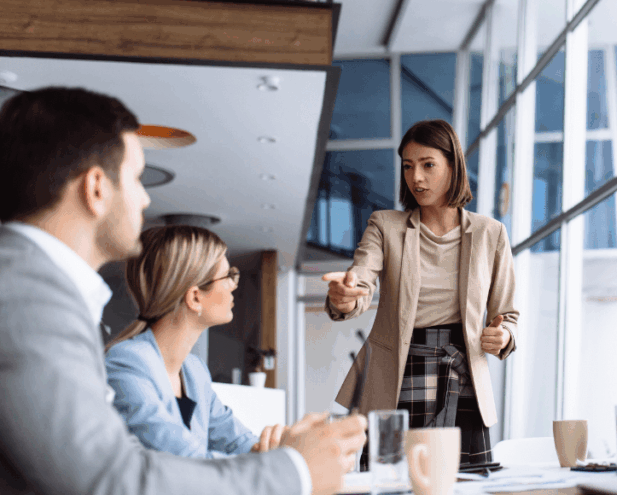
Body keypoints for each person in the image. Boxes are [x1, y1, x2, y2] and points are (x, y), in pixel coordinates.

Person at [0, 86, 366, 495]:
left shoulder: (37, 289)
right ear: (97, 187)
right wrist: (294, 470)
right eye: (136, 179)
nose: (145, 198)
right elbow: (108, 478)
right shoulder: (28, 298)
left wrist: (290, 455)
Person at [322, 119, 519, 466]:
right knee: (387, 485)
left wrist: (502, 336)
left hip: (463, 376)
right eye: (408, 167)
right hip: (398, 372)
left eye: (428, 165)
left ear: (453, 166)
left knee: (466, 487)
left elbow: (508, 315)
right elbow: (361, 281)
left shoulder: (491, 233)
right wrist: (345, 297)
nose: (416, 178)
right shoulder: (385, 225)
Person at [105, 225, 286, 457]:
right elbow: (184, 461)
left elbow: (235, 440)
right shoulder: (127, 362)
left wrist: (278, 450)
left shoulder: (194, 370)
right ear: (195, 297)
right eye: (228, 276)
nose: (233, 285)